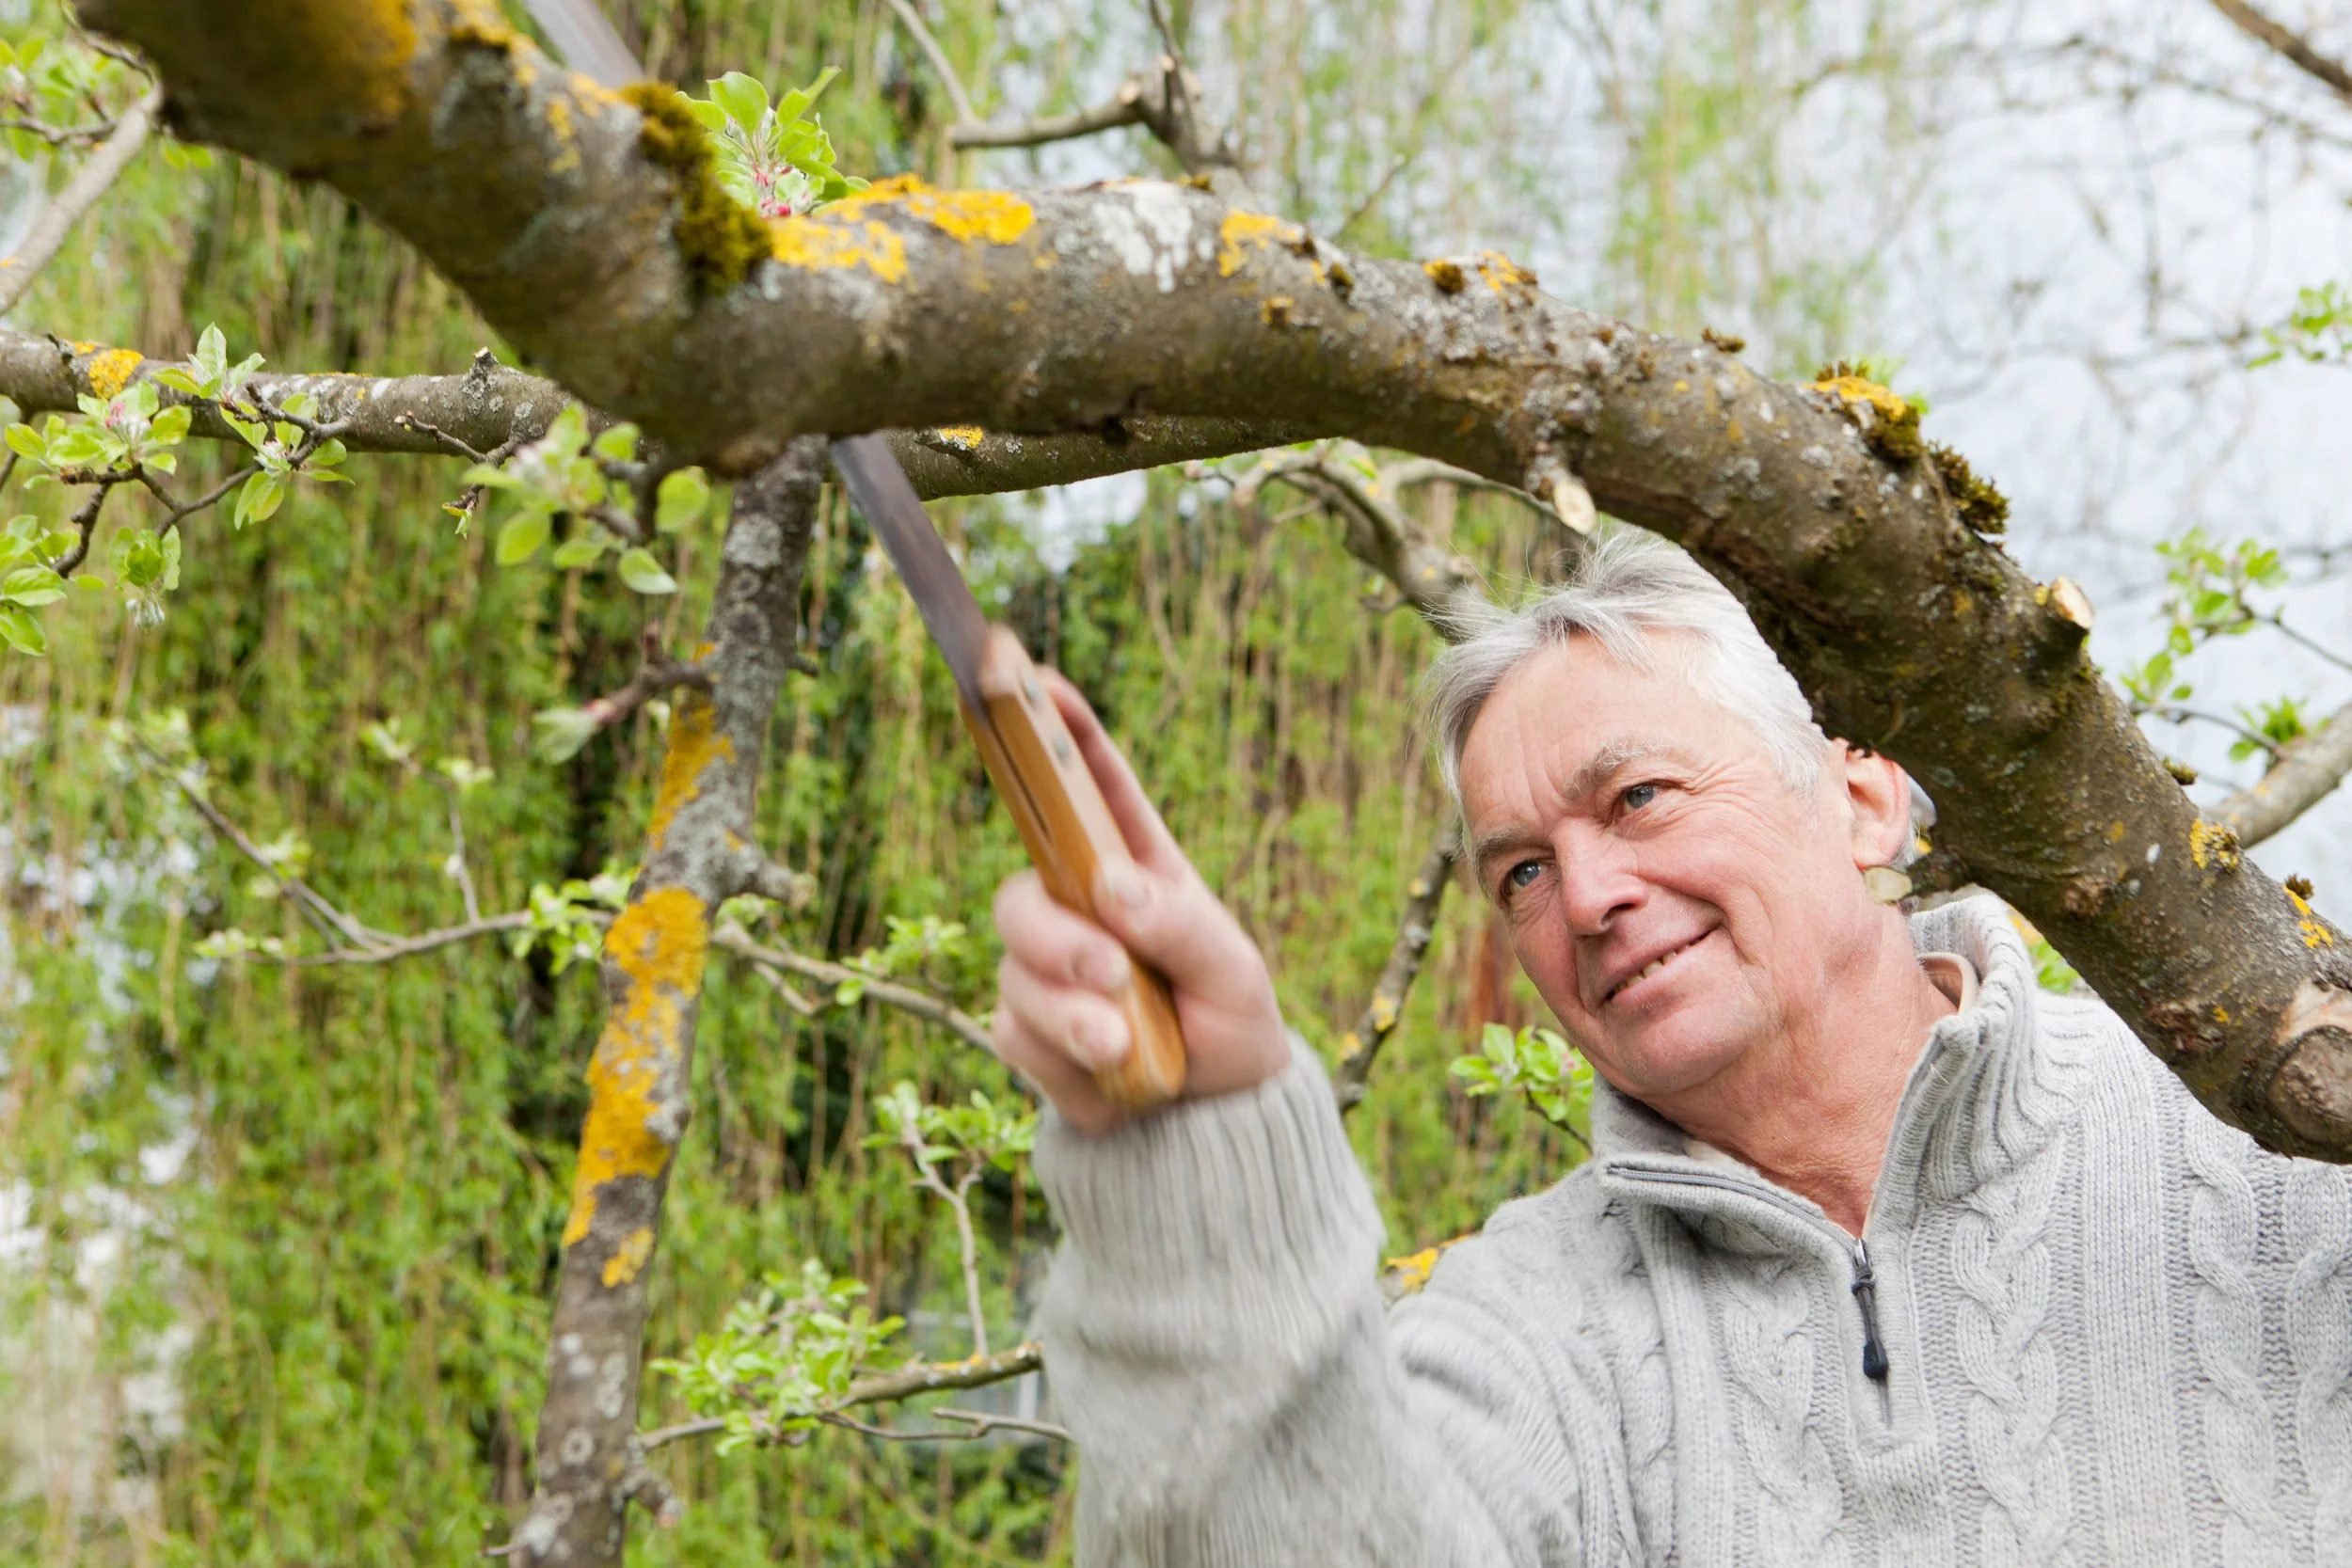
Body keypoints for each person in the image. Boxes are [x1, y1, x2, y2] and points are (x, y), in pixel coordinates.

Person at [990, 532, 2352, 1565]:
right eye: (1521, 870)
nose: (1585, 898)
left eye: (1637, 798)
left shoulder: (2269, 1136)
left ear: (1864, 796)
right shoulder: (1525, 1322)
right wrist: (1198, 1153)